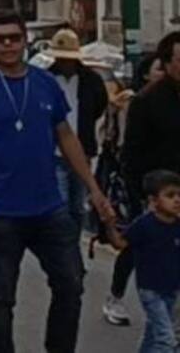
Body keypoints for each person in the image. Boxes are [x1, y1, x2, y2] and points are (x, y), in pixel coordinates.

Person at [0, 10, 115, 353]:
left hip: (48, 207)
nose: (7, 45)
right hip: (0, 210)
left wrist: (94, 189)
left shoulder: (45, 83)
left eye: (14, 38)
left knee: (71, 284)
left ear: (25, 41)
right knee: (1, 296)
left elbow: (66, 136)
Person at [114, 31, 180, 328]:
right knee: (140, 243)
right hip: (158, 189)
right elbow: (131, 154)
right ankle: (116, 295)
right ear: (167, 63)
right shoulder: (147, 101)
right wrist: (140, 194)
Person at [43, 28, 109, 235]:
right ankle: (62, 243)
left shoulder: (91, 80)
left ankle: (75, 240)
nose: (64, 63)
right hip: (52, 152)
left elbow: (100, 106)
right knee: (60, 203)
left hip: (82, 150)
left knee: (78, 205)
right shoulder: (45, 79)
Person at [107, 169, 180, 353]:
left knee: (153, 332)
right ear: (153, 201)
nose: (177, 200)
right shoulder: (144, 224)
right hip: (150, 290)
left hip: (171, 289)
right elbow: (120, 243)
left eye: (179, 195)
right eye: (170, 195)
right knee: (166, 339)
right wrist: (109, 224)